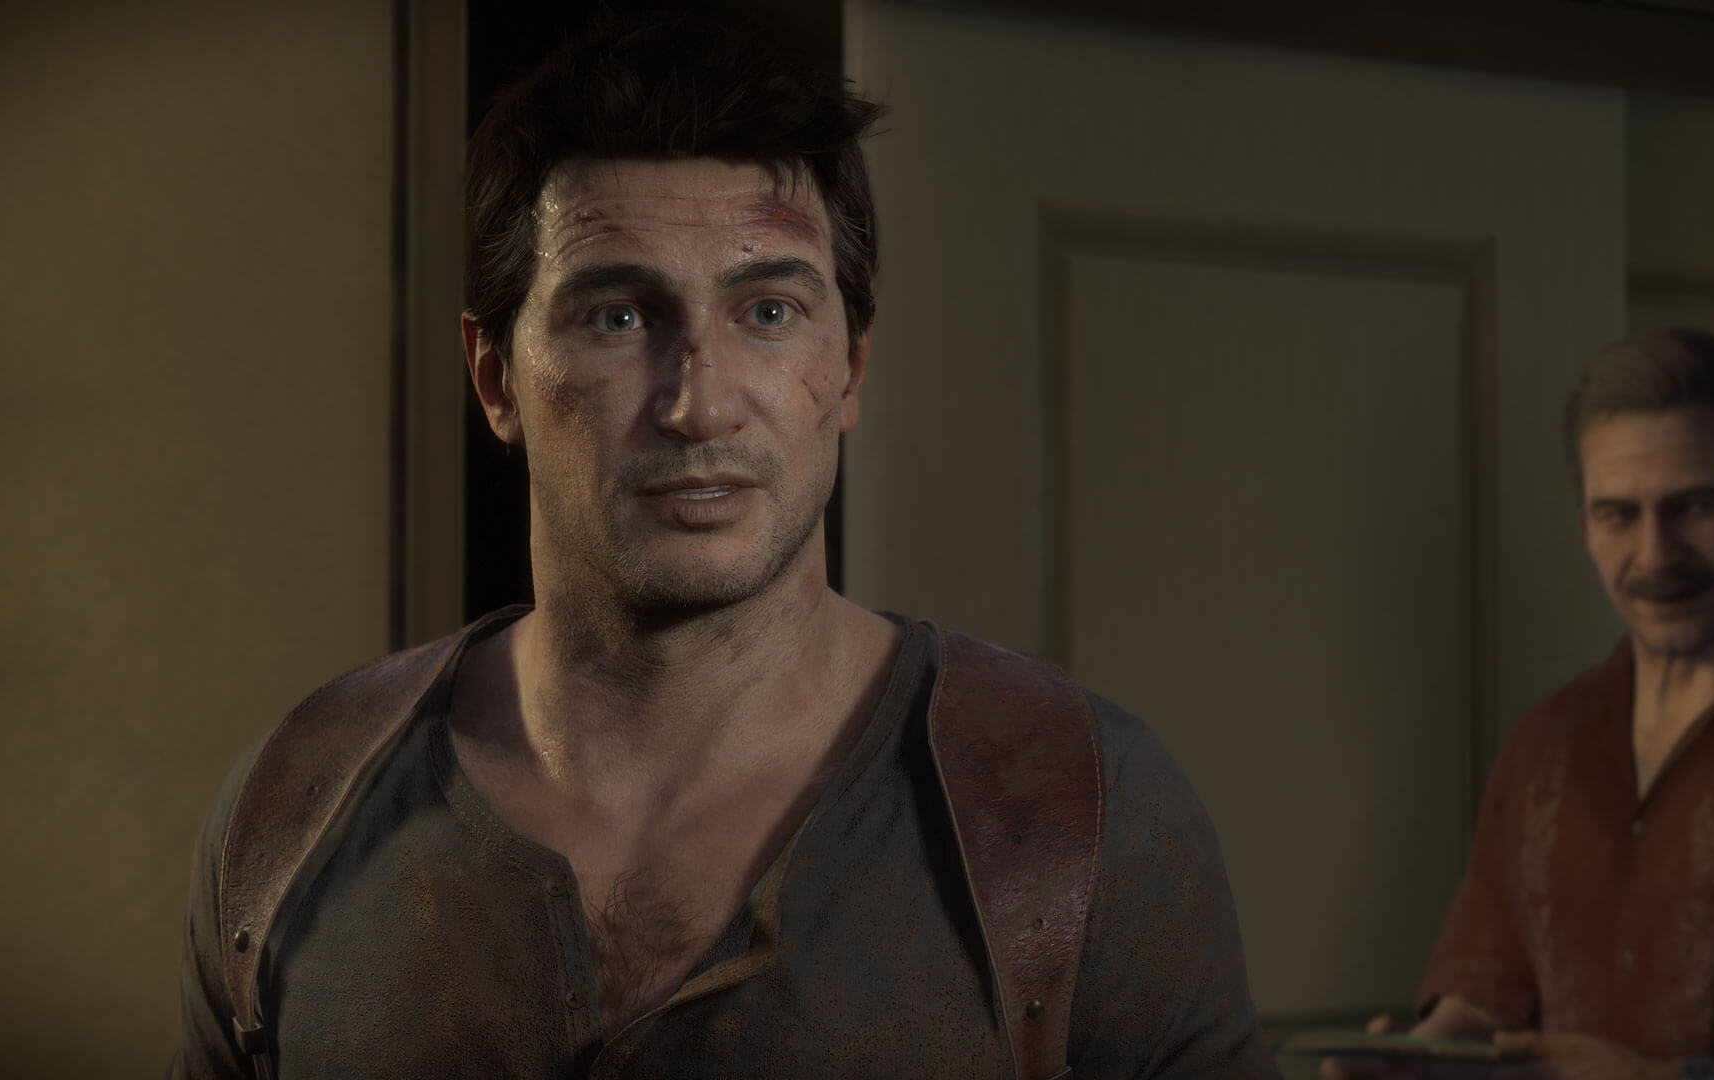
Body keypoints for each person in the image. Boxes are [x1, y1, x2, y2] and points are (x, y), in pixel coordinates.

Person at [170, 10, 1276, 1079]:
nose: (699, 406)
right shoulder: (293, 815)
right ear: (495, 379)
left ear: (850, 366)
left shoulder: (1077, 814)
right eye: (617, 317)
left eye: (767, 312)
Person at [1326, 327, 1714, 1080]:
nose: (1655, 554)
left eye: (1694, 506)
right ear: (1584, 526)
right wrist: (1416, 1062)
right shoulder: (1546, 744)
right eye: (1618, 514)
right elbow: (1482, 1008)